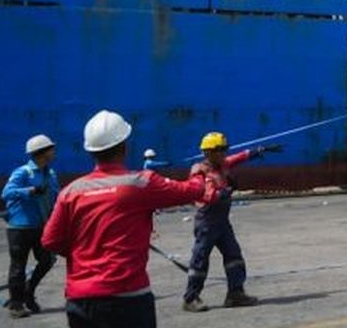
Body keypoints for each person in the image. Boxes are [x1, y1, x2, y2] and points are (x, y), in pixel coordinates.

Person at [42, 110, 218, 328]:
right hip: (128, 297)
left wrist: (87, 252)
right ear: (124, 147)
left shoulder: (70, 191)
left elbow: (50, 240)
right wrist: (199, 172)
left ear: (90, 151)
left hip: (80, 300)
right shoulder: (140, 183)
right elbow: (193, 191)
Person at [183, 132, 278, 312]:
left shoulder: (223, 164)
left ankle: (235, 294)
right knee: (200, 260)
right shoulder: (200, 170)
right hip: (207, 222)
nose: (224, 153)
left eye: (224, 149)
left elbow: (240, 157)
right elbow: (203, 193)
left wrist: (259, 150)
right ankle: (191, 298)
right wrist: (222, 192)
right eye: (220, 150)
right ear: (208, 152)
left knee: (234, 256)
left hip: (222, 222)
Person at [0, 134, 61, 317]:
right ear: (42, 152)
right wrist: (31, 190)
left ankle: (28, 291)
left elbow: (57, 197)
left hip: (41, 225)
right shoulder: (23, 172)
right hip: (20, 227)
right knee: (18, 266)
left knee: (47, 260)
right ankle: (16, 305)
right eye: (51, 148)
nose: (54, 151)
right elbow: (6, 193)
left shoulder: (50, 174)